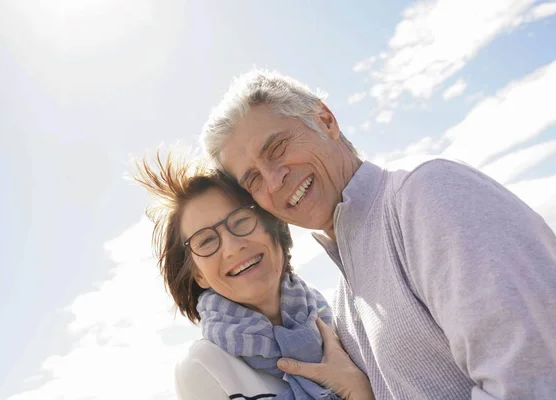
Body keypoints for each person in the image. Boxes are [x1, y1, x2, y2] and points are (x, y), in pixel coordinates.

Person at [200, 70, 556, 399]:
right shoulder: (341, 300)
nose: (274, 180)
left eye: (277, 148)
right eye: (254, 179)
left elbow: (531, 382)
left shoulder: (427, 195)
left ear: (326, 120)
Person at [133, 153, 374, 400]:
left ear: (273, 227)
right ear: (198, 275)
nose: (232, 247)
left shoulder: (348, 324)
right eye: (206, 241)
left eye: (240, 221)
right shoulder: (203, 367)